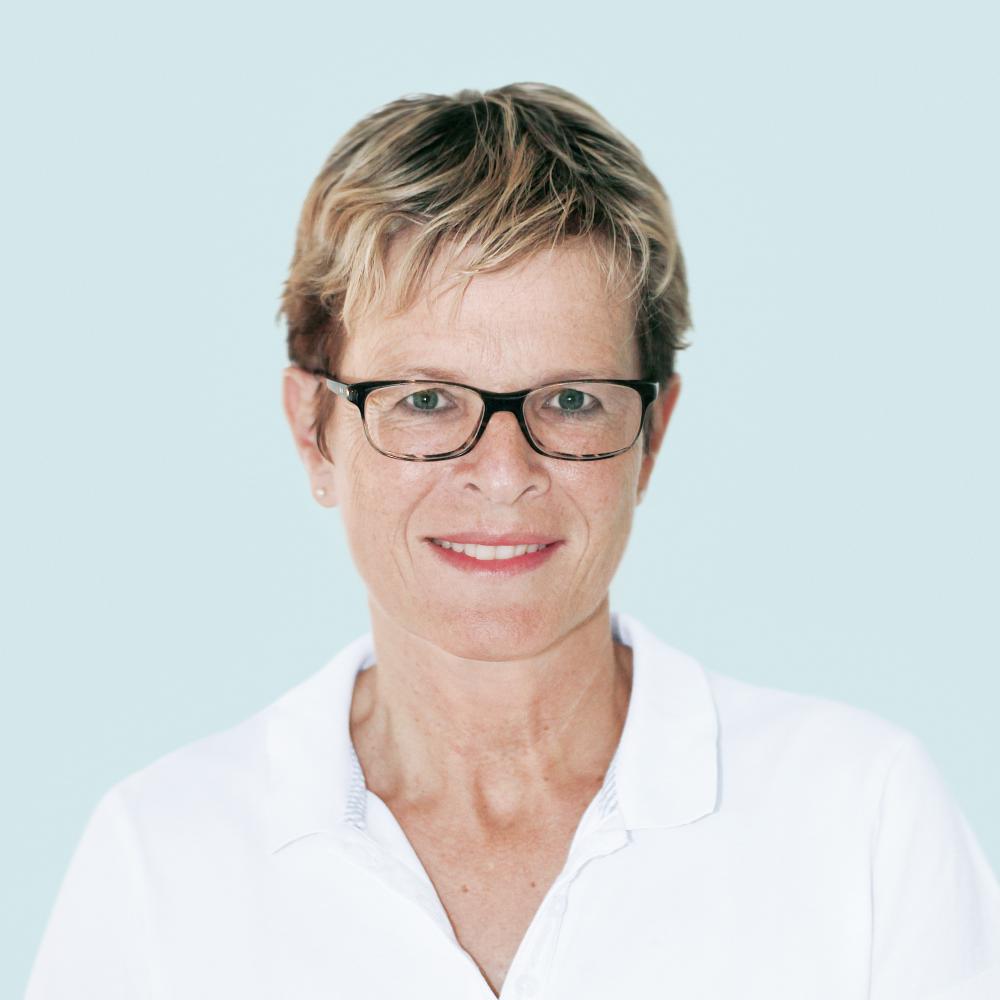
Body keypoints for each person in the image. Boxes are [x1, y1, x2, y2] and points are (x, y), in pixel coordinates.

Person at [26, 83, 1000, 999]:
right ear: (313, 431)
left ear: (652, 434)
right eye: (425, 400)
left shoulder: (861, 819)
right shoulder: (160, 857)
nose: (502, 473)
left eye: (570, 400)